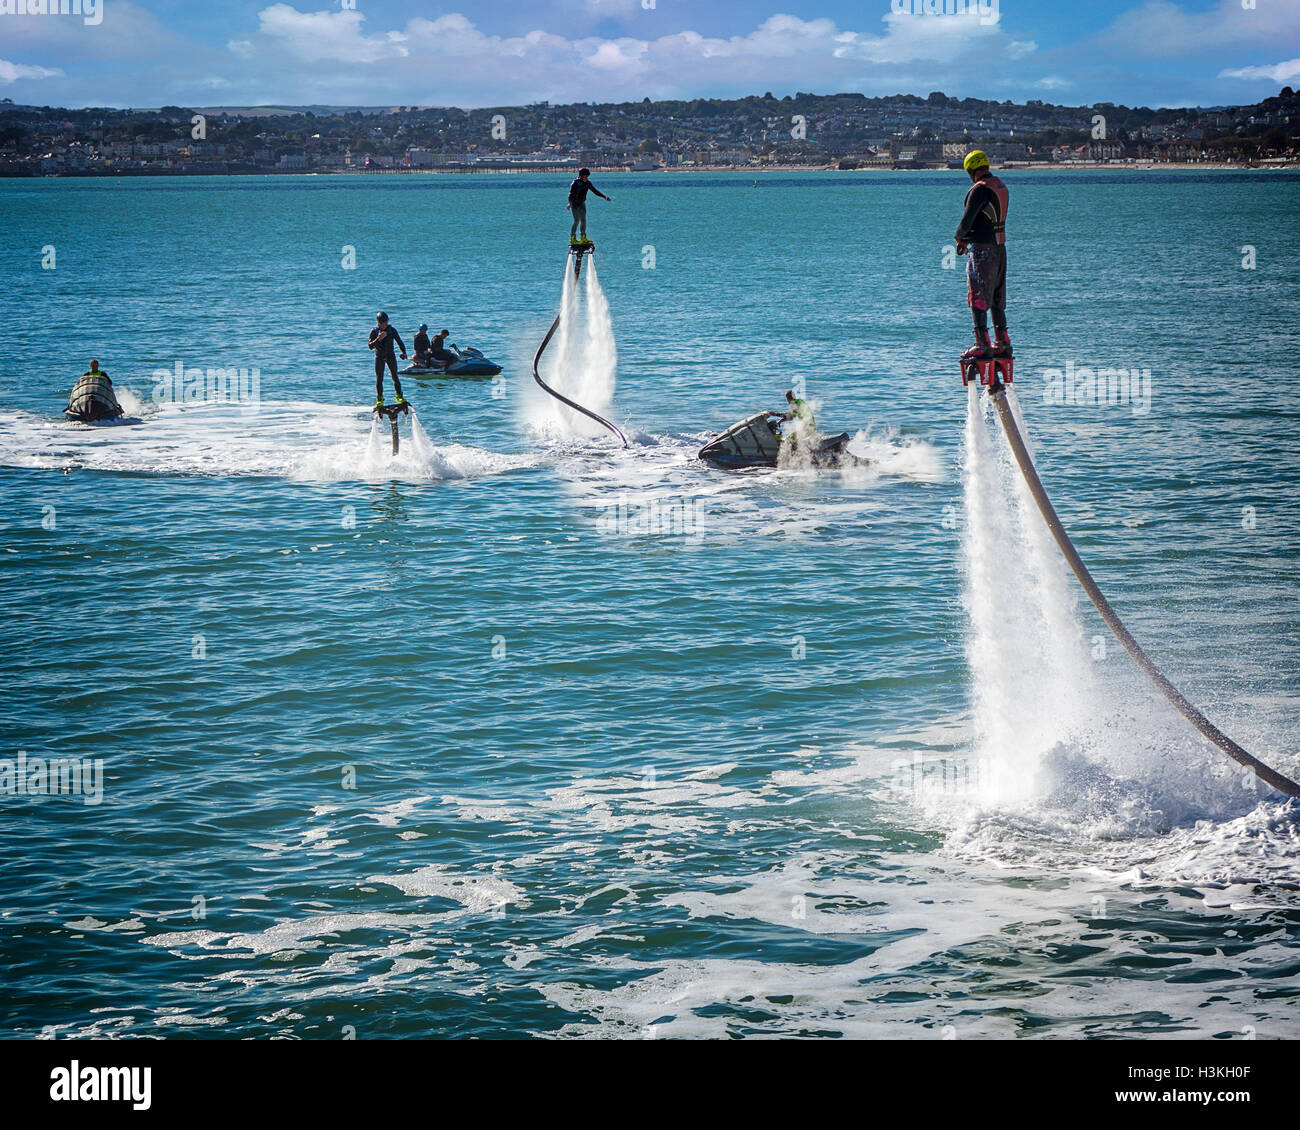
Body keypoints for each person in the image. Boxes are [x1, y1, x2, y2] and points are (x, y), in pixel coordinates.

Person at [954, 150, 1011, 362]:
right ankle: (1003, 341)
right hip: (1000, 249)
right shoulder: (999, 185)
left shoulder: (979, 190)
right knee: (997, 297)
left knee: (978, 296)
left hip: (982, 251)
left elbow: (966, 222)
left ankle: (982, 343)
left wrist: (960, 238)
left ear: (971, 170)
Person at [368, 312, 407, 408]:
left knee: (395, 376)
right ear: (378, 323)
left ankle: (399, 396)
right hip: (379, 356)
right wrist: (378, 338)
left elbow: (399, 341)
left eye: (385, 322)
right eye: (382, 323)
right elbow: (370, 346)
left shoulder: (391, 330)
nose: (384, 324)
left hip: (390, 355)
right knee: (379, 378)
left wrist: (404, 352)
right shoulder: (374, 331)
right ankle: (380, 399)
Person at [568, 168, 610, 245]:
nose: (587, 177)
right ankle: (572, 238)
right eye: (585, 176)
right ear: (581, 176)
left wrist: (604, 196)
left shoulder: (587, 183)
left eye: (587, 176)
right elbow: (570, 195)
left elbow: (595, 191)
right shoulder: (575, 183)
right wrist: (570, 204)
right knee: (576, 220)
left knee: (583, 220)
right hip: (574, 204)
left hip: (582, 203)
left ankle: (583, 237)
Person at [774, 389, 815, 455]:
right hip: (810, 427)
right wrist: (781, 421)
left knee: (788, 439)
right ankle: (797, 453)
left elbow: (789, 415)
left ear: (787, 398)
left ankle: (791, 455)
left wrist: (775, 414)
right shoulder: (799, 402)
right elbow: (791, 416)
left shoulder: (796, 403)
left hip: (807, 428)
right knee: (793, 438)